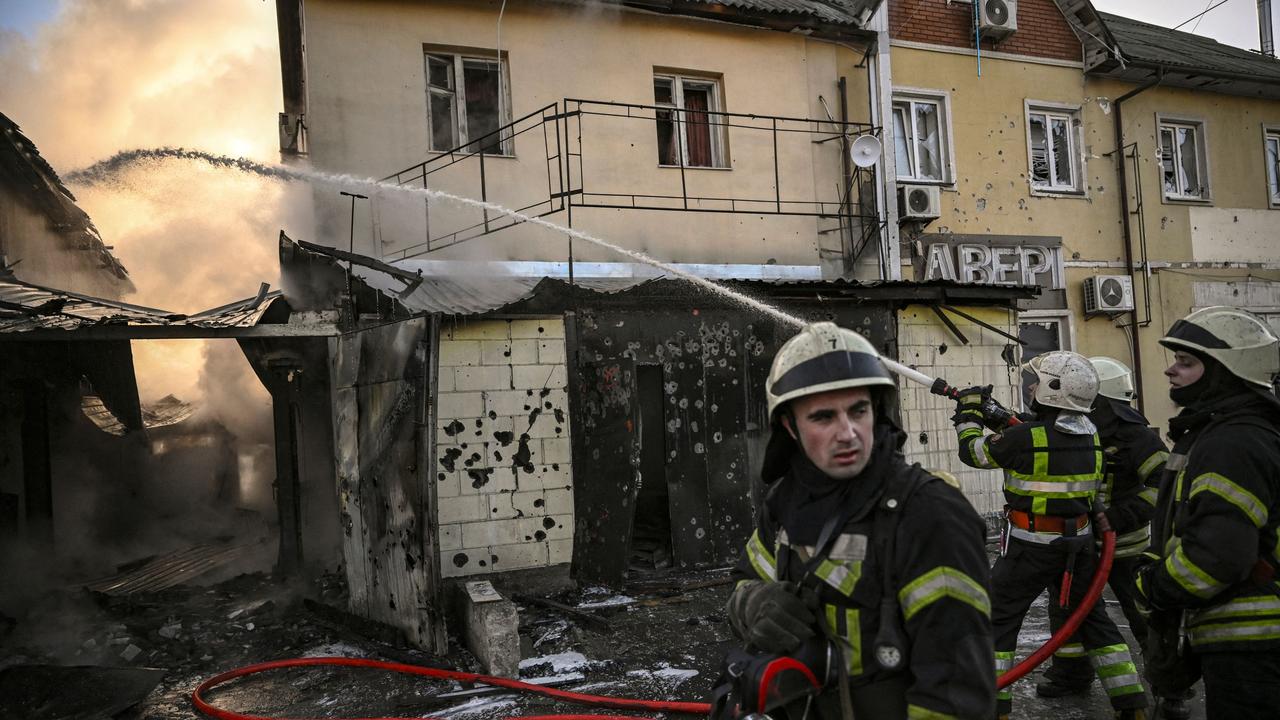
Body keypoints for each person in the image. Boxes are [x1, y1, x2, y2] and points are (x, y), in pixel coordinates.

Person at [723, 322, 994, 720]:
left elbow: (955, 692)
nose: (848, 433)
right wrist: (752, 603)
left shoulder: (930, 513)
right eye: (823, 417)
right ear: (789, 426)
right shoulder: (787, 502)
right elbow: (744, 582)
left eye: (858, 410)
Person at [952, 350, 1147, 719]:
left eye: (1036, 382)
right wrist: (999, 415)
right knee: (1093, 621)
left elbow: (973, 453)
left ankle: (994, 707)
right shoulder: (1090, 435)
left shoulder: (1025, 439)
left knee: (999, 618)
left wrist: (969, 414)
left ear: (1054, 390)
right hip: (1080, 548)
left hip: (1030, 548)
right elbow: (1036, 434)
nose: (1030, 386)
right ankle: (1132, 704)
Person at [1135, 306, 1280, 718]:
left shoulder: (1233, 442)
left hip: (1252, 641)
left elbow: (1219, 555)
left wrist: (1154, 586)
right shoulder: (1226, 432)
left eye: (1187, 362)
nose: (1170, 371)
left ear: (1224, 372)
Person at [1035, 357, 1183, 715]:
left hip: (1124, 547)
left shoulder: (1134, 435)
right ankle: (1071, 674)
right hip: (1077, 545)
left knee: (1144, 616)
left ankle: (1171, 690)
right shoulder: (1066, 425)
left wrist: (1116, 517)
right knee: (1066, 609)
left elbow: (1162, 485)